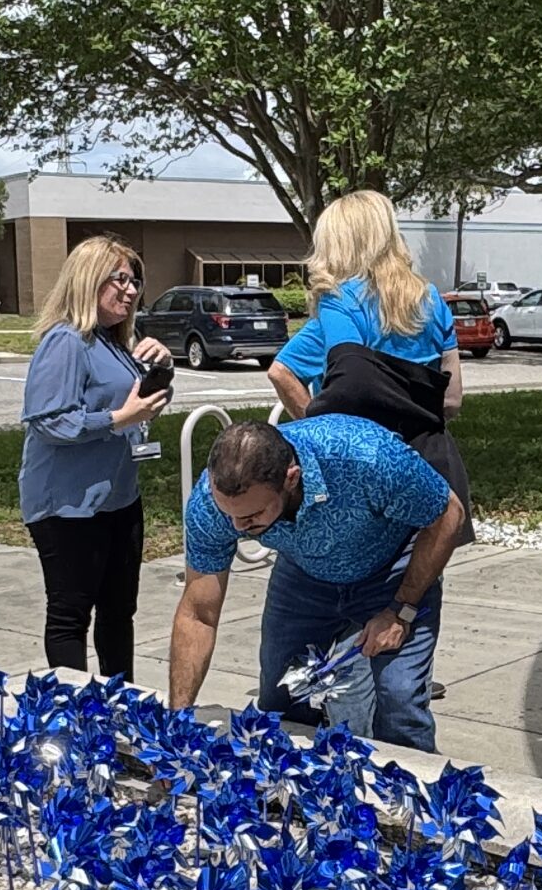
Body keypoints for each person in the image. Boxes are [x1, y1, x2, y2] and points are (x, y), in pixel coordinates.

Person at [168, 415, 466, 745]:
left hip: (393, 571)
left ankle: (410, 793)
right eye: (230, 515)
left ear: (291, 478)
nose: (238, 527)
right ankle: (296, 790)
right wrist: (177, 720)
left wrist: (402, 609)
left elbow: (448, 514)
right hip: (303, 576)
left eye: (252, 516)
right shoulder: (211, 503)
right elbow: (198, 614)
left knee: (399, 702)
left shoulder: (365, 457)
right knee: (281, 697)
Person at [267, 189, 472, 544]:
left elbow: (296, 374)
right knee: (420, 578)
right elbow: (452, 400)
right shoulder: (433, 299)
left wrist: (316, 430)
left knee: (356, 580)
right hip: (430, 462)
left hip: (362, 468)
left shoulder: (339, 300)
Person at [19, 238, 173, 677]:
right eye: (119, 279)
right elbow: (49, 421)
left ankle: (118, 706)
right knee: (71, 615)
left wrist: (162, 368)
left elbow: (141, 402)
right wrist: (118, 419)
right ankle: (76, 715)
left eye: (135, 281)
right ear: (89, 280)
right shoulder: (66, 341)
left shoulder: (118, 341)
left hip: (119, 498)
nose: (130, 290)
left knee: (118, 613)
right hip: (68, 505)